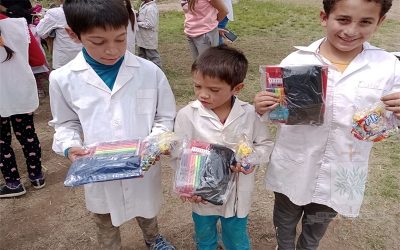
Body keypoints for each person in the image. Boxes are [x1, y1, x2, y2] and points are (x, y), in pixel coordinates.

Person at [253, 0, 400, 249]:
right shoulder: (295, 61)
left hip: (342, 169)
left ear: (380, 22)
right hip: (295, 163)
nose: (351, 31)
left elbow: (390, 120)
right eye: (343, 20)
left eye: (365, 22)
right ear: (324, 17)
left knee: (318, 222)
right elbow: (277, 112)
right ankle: (284, 245)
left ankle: (308, 246)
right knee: (285, 219)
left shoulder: (387, 67)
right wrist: (263, 106)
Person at [48, 0, 176, 249]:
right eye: (98, 42)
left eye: (120, 39)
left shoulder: (149, 72)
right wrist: (70, 146)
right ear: (73, 34)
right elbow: (66, 123)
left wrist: (155, 142)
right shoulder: (63, 79)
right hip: (100, 170)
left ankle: (153, 238)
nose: (112, 50)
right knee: (104, 217)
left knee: (146, 208)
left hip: (142, 165)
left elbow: (164, 116)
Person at [174, 45, 274, 250]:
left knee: (236, 237)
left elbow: (264, 145)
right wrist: (187, 186)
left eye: (214, 90)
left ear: (237, 88)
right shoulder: (187, 115)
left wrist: (249, 160)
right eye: (197, 86)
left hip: (237, 194)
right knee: (204, 236)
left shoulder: (248, 114)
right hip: (202, 193)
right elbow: (179, 153)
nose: (203, 95)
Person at [0, 14, 46, 198]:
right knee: (27, 136)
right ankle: (36, 176)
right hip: (20, 90)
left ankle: (13, 183)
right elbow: (37, 60)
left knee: (2, 142)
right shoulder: (19, 25)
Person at [36, 0, 82, 69]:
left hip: (65, 58)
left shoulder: (55, 13)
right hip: (86, 55)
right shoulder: (90, 9)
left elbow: (40, 31)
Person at [136, 0, 161, 68]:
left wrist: (137, 23)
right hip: (142, 36)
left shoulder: (151, 8)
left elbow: (150, 24)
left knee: (153, 56)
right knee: (141, 56)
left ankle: (159, 72)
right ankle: (144, 72)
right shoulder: (143, 4)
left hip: (149, 37)